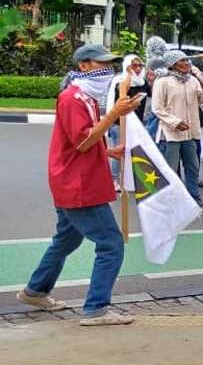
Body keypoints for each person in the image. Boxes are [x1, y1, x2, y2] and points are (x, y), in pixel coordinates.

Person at [18, 44, 141, 326]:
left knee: (66, 240)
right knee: (111, 244)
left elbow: (80, 141)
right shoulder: (73, 98)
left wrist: (109, 150)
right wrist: (113, 115)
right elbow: (83, 141)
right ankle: (96, 308)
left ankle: (35, 290)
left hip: (72, 179)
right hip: (78, 184)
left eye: (110, 64)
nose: (108, 70)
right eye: (102, 64)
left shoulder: (85, 98)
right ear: (83, 65)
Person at [151, 49, 203, 211]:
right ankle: (170, 201)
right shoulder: (162, 81)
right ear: (172, 64)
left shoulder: (192, 81)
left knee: (193, 166)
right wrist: (175, 122)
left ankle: (194, 198)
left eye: (187, 61)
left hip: (190, 133)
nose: (186, 64)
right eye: (182, 61)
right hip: (170, 133)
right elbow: (157, 108)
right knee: (170, 169)